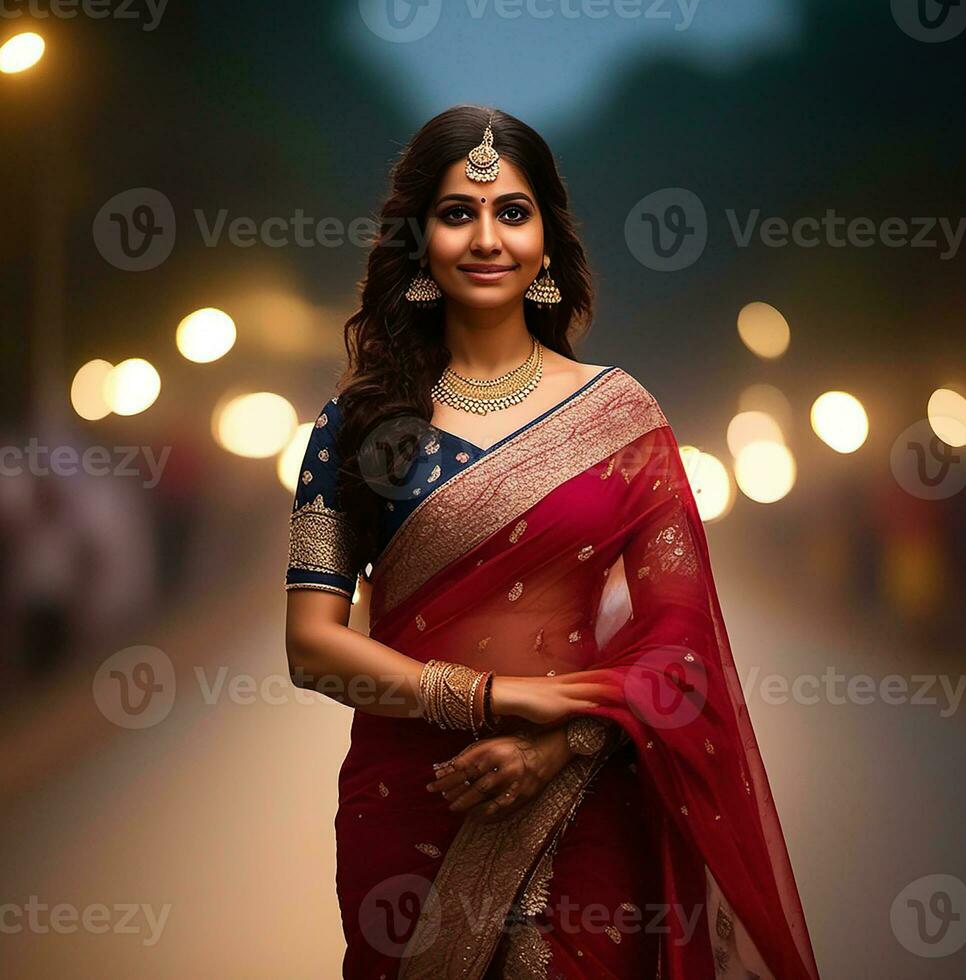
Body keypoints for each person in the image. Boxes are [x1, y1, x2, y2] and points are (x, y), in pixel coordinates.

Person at [284, 105, 820, 979]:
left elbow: (679, 657)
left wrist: (557, 743)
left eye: (512, 212)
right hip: (408, 807)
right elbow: (312, 648)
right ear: (417, 240)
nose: (486, 237)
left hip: (581, 803)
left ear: (545, 239)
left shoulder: (621, 418)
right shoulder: (361, 426)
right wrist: (494, 698)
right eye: (458, 213)